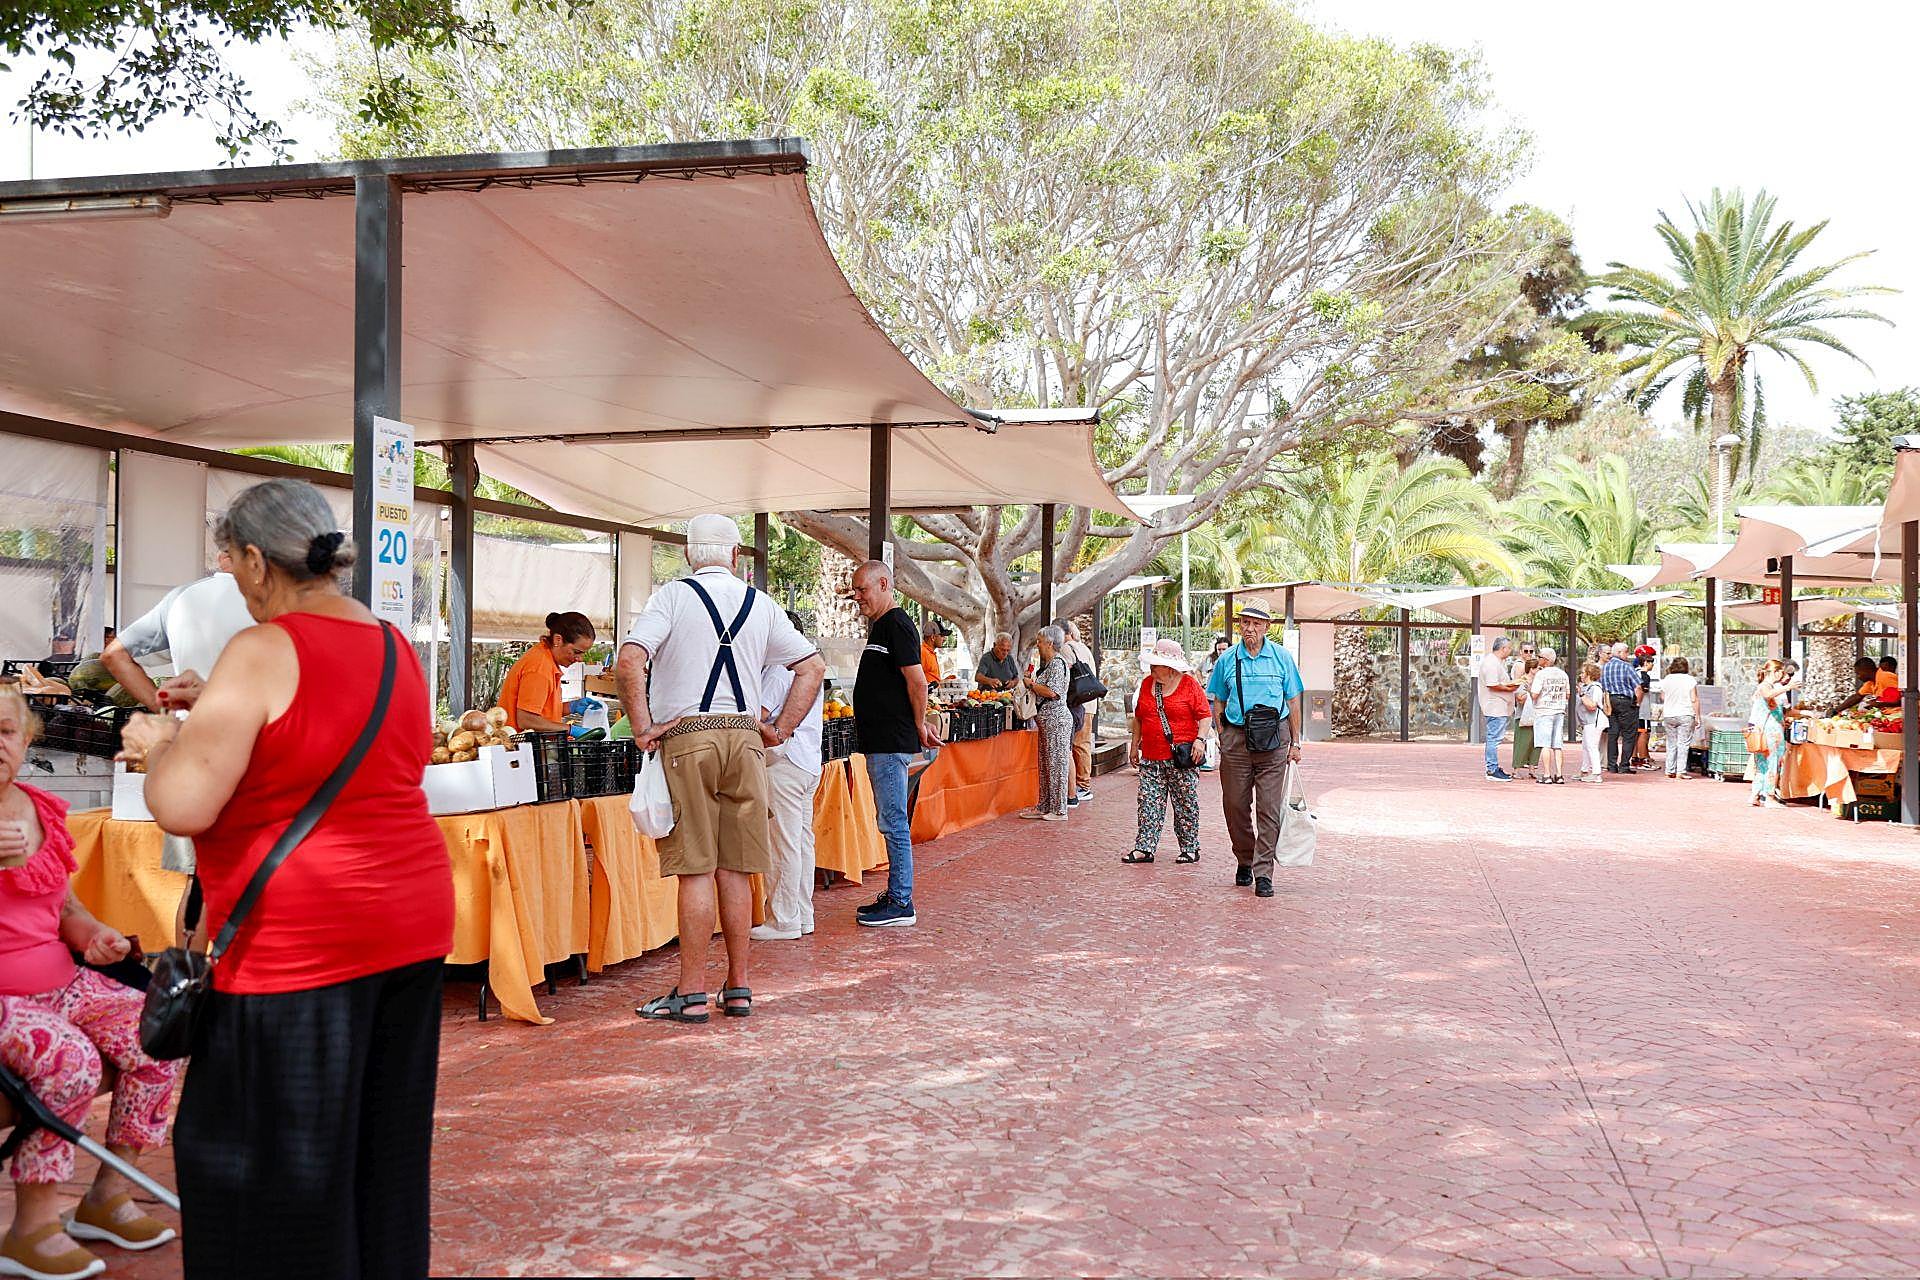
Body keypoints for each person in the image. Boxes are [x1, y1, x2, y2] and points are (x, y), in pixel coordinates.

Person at [120, 478, 455, 1279]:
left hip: (299, 944)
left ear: (256, 563)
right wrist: (214, 712)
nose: (235, 586)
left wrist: (157, 743)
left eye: (233, 568)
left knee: (264, 1178)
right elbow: (328, 743)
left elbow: (182, 805)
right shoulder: (392, 644)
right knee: (380, 1161)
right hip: (409, 925)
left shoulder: (263, 648)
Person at [0, 685, 180, 1280]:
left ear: (27, 741)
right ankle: (31, 1228)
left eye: (5, 731)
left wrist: (92, 933)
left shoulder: (39, 806)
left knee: (158, 1031)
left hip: (58, 983)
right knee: (71, 1060)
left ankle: (106, 1194)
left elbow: (63, 908)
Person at [617, 514, 825, 1002]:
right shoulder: (762, 604)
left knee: (696, 869)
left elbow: (630, 660)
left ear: (690, 555)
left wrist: (645, 727)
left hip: (688, 738)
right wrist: (780, 730)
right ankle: (738, 987)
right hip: (745, 739)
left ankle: (689, 992)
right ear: (736, 558)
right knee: (735, 868)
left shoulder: (671, 597)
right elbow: (811, 667)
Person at [846, 560, 941, 928]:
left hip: (889, 743)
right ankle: (897, 894)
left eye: (862, 589)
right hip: (881, 742)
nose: (857, 597)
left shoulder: (897, 624)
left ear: (884, 584)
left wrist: (919, 725)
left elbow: (917, 682)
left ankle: (901, 901)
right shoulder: (883, 627)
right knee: (892, 819)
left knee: (894, 821)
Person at [1205, 599, 1304, 900]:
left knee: (1268, 809)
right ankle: (1245, 857)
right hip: (1236, 739)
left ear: (1266, 627)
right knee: (1234, 805)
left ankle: (1263, 872)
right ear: (1239, 626)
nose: (1250, 628)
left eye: (1256, 623)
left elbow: (1294, 699)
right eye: (1245, 623)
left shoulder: (1281, 658)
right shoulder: (1227, 659)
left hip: (1274, 740)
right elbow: (1217, 697)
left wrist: (1296, 742)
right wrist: (1221, 731)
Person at [752, 611, 825, 943]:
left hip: (785, 764)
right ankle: (801, 914)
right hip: (808, 763)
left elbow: (760, 716)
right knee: (799, 842)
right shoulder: (807, 665)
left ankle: (783, 920)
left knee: (784, 844)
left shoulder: (783, 670)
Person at [99, 567, 254, 715]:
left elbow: (114, 655)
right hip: (258, 731)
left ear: (223, 557)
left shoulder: (183, 596)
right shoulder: (269, 599)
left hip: (190, 729)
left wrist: (164, 711)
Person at [1123, 639, 1213, 864]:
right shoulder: (1146, 685)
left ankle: (1190, 848)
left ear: (1171, 667)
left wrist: (1199, 741)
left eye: (1158, 664)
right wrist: (1135, 745)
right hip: (1151, 756)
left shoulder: (1189, 685)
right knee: (1147, 802)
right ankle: (1144, 847)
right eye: (1152, 663)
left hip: (1181, 757)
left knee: (1185, 803)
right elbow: (1139, 718)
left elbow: (1205, 716)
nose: (1153, 668)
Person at [495, 611, 596, 732]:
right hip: (517, 747)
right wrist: (570, 729)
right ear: (558, 640)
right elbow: (526, 720)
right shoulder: (539, 667)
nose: (580, 659)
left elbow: (543, 711)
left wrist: (571, 707)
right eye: (576, 652)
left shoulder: (546, 660)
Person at [1020, 627, 1074, 824]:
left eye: (1040, 641)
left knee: (1057, 765)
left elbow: (1053, 692)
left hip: (1057, 721)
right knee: (1046, 765)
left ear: (1050, 643)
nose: (1038, 645)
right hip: (1047, 722)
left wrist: (1031, 685)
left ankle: (1059, 809)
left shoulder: (1058, 664)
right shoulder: (1050, 665)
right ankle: (1044, 805)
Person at [1061, 620, 1097, 806]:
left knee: (1078, 745)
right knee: (1081, 745)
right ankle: (1082, 785)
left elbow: (1063, 675)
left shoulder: (1067, 648)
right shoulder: (1083, 647)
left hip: (1079, 704)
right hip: (1087, 703)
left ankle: (1082, 786)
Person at [1747, 658, 1789, 809]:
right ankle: (1769, 796)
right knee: (1772, 763)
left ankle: (1755, 794)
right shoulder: (1765, 687)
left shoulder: (1767, 687)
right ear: (1776, 672)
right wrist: (1787, 687)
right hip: (1770, 733)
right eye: (1781, 672)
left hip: (1765, 732)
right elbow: (1768, 695)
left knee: (1762, 765)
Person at [1477, 637, 1518, 781]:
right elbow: (1492, 684)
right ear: (1503, 648)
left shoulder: (1496, 662)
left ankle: (1493, 767)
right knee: (1494, 738)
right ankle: (1492, 769)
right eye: (1509, 647)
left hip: (1499, 706)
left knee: (1495, 738)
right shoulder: (1491, 663)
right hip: (1495, 706)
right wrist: (1510, 687)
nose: (1510, 650)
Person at [1529, 648, 1570, 784]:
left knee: (1544, 744)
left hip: (1543, 711)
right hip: (1559, 710)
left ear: (1545, 660)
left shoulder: (1541, 675)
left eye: (1540, 657)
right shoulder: (1563, 674)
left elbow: (1534, 694)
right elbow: (1568, 694)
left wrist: (1530, 689)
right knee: (1557, 745)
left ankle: (1547, 774)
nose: (1538, 659)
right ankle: (1559, 774)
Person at [1600, 642, 1641, 775]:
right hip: (1625, 701)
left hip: (1611, 701)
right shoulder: (1627, 667)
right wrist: (1637, 702)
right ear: (1619, 653)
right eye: (1626, 652)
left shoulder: (1605, 668)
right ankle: (1624, 765)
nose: (1627, 655)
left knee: (1613, 733)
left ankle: (1612, 765)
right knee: (1629, 734)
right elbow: (1638, 687)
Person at [1659, 656, 1700, 779]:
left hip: (1669, 714)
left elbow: (1662, 697)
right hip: (1685, 713)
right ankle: (1680, 771)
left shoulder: (1667, 679)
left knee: (1671, 743)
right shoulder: (1690, 680)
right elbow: (1694, 699)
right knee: (1683, 743)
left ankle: (1669, 770)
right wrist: (1697, 716)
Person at [1576, 662, 1607, 783]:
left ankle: (1596, 773)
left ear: (1589, 674)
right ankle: (1585, 770)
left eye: (1583, 672)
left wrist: (1582, 694)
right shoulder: (1587, 687)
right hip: (1588, 721)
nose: (1581, 675)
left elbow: (1592, 705)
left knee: (1592, 746)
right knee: (1586, 746)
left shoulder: (1595, 688)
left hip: (1593, 721)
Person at [1511, 655, 1540, 781]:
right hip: (1523, 717)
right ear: (1532, 669)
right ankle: (1516, 769)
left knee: (1536, 744)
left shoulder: (1539, 681)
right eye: (1538, 668)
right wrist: (1531, 693)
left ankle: (1532, 768)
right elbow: (1520, 699)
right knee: (1521, 743)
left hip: (1537, 717)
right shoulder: (1522, 682)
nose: (1540, 670)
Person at [919, 618, 946, 684]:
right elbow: (917, 679)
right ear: (933, 637)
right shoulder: (923, 652)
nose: (945, 639)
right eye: (942, 636)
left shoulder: (930, 652)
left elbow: (930, 679)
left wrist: (944, 682)